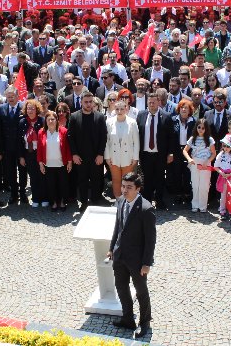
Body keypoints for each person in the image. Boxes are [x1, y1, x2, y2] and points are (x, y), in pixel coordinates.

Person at [107, 172, 155, 340]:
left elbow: (150, 240)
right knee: (121, 287)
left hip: (137, 260)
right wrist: (111, 248)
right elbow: (118, 227)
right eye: (123, 186)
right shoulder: (120, 201)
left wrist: (147, 263)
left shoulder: (146, 209)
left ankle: (145, 322)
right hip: (120, 255)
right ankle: (128, 318)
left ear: (138, 189)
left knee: (141, 291)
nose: (125, 190)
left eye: (129, 187)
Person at [68, 91, 108, 211]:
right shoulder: (74, 116)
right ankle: (84, 202)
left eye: (91, 102)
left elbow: (103, 137)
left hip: (96, 156)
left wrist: (100, 154)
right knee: (82, 180)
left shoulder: (100, 117)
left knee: (97, 180)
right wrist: (74, 154)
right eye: (86, 102)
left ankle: (95, 200)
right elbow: (70, 137)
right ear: (81, 102)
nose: (89, 104)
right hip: (80, 156)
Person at [37, 111, 73, 212]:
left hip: (61, 163)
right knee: (51, 185)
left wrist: (70, 162)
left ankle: (62, 202)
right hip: (48, 164)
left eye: (53, 119)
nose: (50, 121)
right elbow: (39, 149)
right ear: (45, 121)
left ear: (57, 120)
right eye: (48, 119)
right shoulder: (41, 132)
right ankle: (53, 202)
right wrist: (40, 163)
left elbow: (68, 148)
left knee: (63, 184)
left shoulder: (63, 131)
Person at [105, 101, 139, 200]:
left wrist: (135, 158)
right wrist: (107, 157)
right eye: (117, 109)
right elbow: (106, 141)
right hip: (113, 157)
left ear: (126, 109)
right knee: (116, 179)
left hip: (128, 157)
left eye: (122, 109)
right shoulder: (109, 122)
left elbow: (136, 142)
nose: (119, 111)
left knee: (127, 181)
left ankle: (127, 200)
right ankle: (118, 200)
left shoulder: (132, 122)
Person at [183, 118, 216, 213]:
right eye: (199, 127)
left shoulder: (210, 139)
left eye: (203, 128)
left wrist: (208, 161)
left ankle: (203, 206)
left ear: (206, 129)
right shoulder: (192, 138)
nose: (201, 129)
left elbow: (214, 153)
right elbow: (185, 150)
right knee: (195, 184)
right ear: (196, 127)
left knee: (204, 186)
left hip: (206, 163)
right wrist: (189, 159)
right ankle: (195, 205)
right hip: (195, 163)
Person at [214, 135, 231, 220]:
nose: (225, 148)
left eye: (228, 146)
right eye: (224, 145)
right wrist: (221, 172)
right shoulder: (220, 154)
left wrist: (230, 174)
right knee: (223, 195)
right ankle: (222, 211)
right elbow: (216, 166)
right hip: (223, 176)